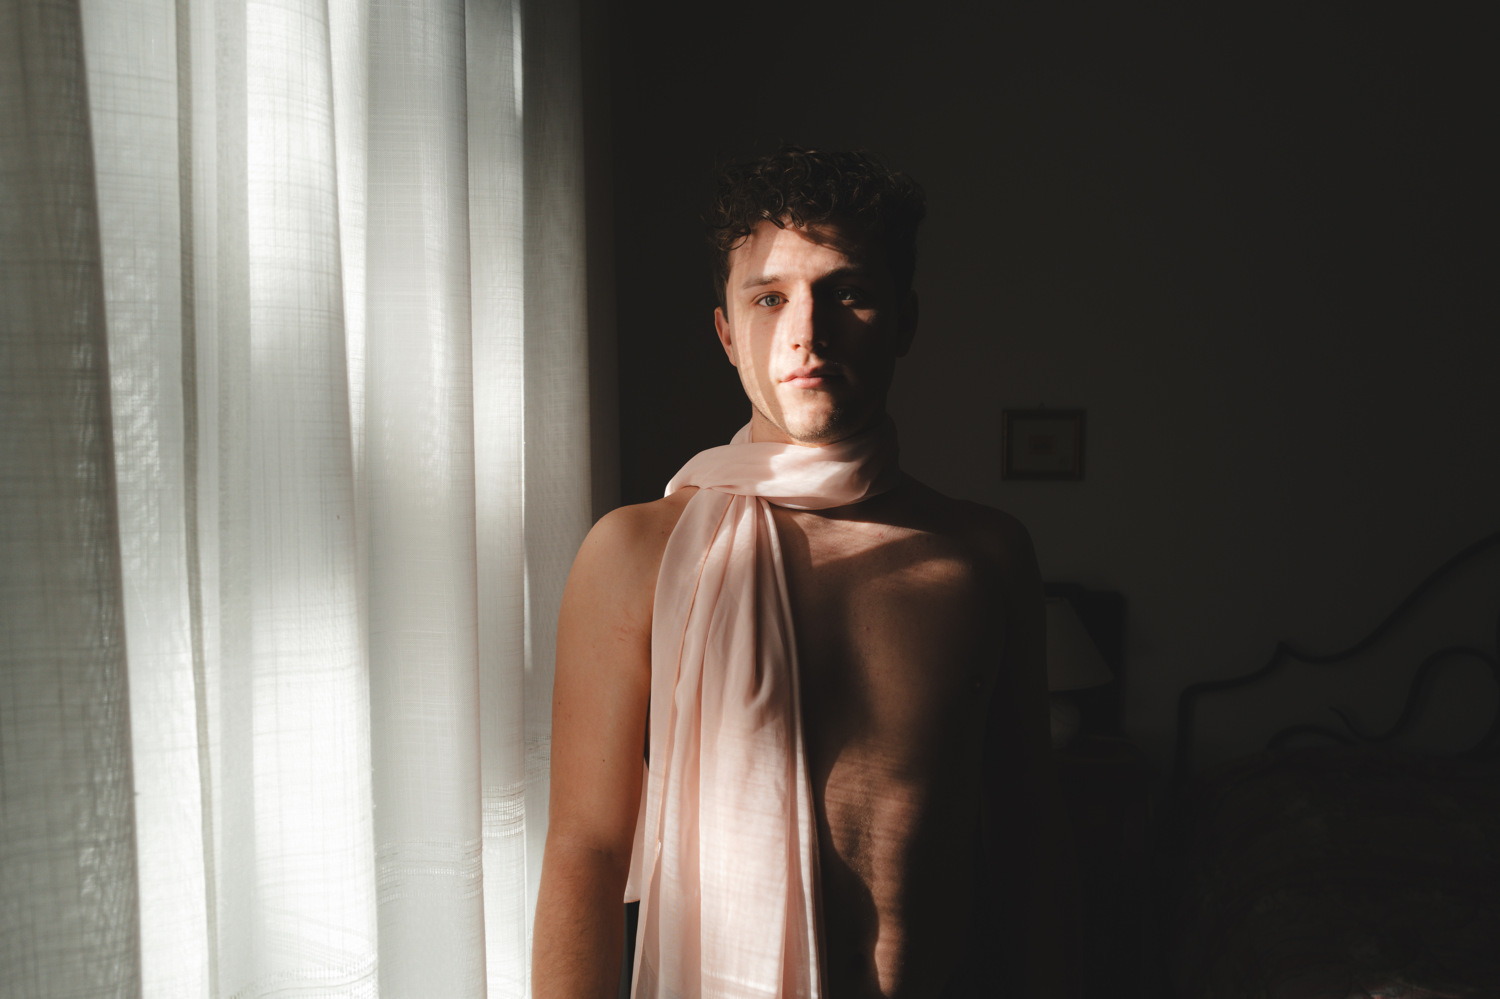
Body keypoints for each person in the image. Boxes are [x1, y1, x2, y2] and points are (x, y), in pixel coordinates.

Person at [533, 146, 1066, 998]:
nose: (806, 333)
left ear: (904, 321)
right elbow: (586, 851)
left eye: (846, 292)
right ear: (726, 332)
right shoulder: (634, 553)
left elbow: (1028, 849)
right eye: (770, 297)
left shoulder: (984, 556)